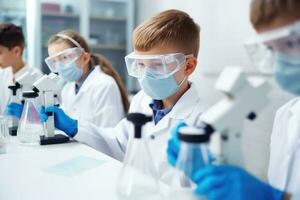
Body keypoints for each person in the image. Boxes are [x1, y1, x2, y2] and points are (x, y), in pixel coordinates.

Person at [40, 9, 207, 182]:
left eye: (157, 65)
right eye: (140, 64)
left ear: (188, 66)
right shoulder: (142, 100)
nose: (145, 75)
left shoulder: (202, 122)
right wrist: (75, 127)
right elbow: (119, 143)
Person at [167, 0, 300, 199]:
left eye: (290, 43)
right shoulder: (287, 116)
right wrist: (208, 171)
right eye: (270, 49)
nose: (279, 62)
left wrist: (272, 197)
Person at [41, 30, 129, 129]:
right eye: (54, 61)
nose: (60, 65)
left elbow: (109, 136)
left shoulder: (104, 85)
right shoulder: (68, 89)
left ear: (85, 58)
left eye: (64, 57)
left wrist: (74, 129)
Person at [0, 23, 42, 116]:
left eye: (0, 53)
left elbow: (42, 118)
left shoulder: (37, 79)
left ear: (16, 51)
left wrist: (26, 114)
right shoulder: (2, 74)